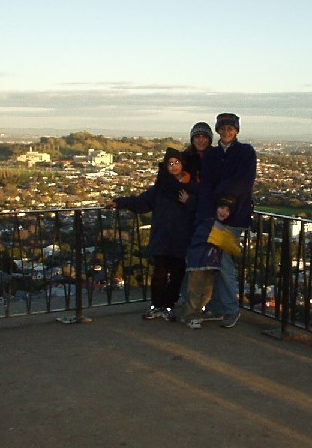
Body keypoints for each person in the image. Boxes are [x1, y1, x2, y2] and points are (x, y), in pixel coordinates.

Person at [108, 147, 198, 320]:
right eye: (170, 163)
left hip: (182, 238)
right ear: (165, 166)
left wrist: (189, 201)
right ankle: (156, 306)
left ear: (183, 164)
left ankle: (168, 308)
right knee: (159, 275)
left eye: (177, 162)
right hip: (162, 237)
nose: (174, 166)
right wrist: (119, 203)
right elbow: (141, 202)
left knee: (177, 276)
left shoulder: (192, 187)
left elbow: (199, 208)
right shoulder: (160, 188)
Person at [194, 112, 257, 328]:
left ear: (237, 130)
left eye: (231, 128)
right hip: (214, 216)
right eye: (223, 129)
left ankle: (231, 309)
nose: (227, 132)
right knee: (216, 263)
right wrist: (208, 212)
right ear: (218, 131)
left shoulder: (246, 152)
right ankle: (220, 307)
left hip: (235, 216)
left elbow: (244, 182)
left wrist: (222, 201)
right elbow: (206, 185)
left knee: (224, 263)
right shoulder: (212, 155)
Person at [180, 195, 241, 329]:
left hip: (207, 261)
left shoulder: (211, 222)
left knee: (205, 290)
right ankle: (192, 316)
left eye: (228, 210)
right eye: (222, 208)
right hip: (199, 261)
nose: (224, 212)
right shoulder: (211, 223)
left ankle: (197, 314)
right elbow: (227, 245)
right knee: (196, 290)